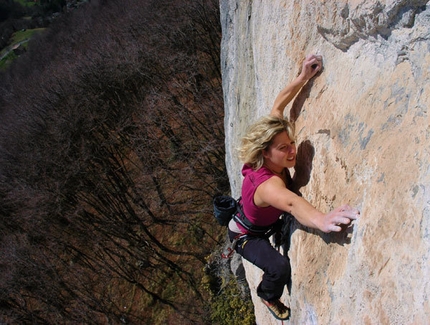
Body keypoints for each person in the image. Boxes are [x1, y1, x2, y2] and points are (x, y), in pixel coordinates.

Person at [228, 54, 360, 320]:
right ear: (265, 153)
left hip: (259, 219)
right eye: (283, 148)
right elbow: (291, 203)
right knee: (279, 267)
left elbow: (278, 105)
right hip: (246, 236)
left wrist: (303, 77)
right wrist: (323, 220)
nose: (292, 150)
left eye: (291, 141)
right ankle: (267, 295)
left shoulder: (268, 146)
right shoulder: (268, 185)